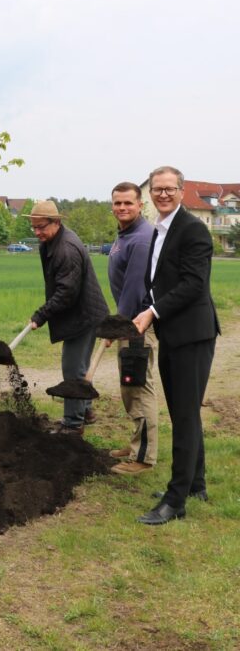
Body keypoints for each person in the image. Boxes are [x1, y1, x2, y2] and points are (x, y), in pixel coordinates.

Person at [133, 166, 220, 525]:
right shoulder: (162, 228)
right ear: (151, 192)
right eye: (157, 189)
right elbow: (159, 281)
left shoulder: (194, 230)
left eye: (170, 189)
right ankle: (194, 484)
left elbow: (193, 285)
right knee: (184, 412)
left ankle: (176, 499)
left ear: (182, 191)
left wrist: (152, 312)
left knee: (183, 416)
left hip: (192, 335)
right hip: (173, 332)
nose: (163, 194)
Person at [28, 200, 109, 435]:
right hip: (81, 313)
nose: (37, 232)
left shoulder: (66, 249)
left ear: (57, 222)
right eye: (33, 227)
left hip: (84, 316)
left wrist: (41, 315)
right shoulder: (53, 240)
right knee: (79, 367)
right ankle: (86, 410)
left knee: (73, 369)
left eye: (41, 227)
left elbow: (67, 293)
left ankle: (73, 424)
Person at [106, 182, 158, 475]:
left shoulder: (140, 239)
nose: (122, 208)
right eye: (117, 203)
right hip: (130, 322)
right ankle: (137, 442)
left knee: (139, 387)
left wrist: (119, 326)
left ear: (140, 205)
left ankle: (143, 458)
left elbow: (135, 287)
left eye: (128, 203)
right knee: (130, 386)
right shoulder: (126, 234)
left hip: (138, 325)